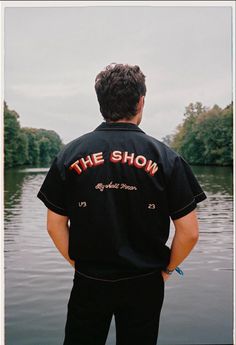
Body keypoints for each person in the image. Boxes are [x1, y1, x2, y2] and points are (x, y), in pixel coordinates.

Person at [37, 63, 207, 345]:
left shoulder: (69, 155)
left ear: (101, 103)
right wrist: (165, 270)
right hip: (145, 282)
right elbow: (189, 233)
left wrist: (79, 264)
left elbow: (55, 226)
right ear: (141, 101)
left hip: (90, 279)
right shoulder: (167, 158)